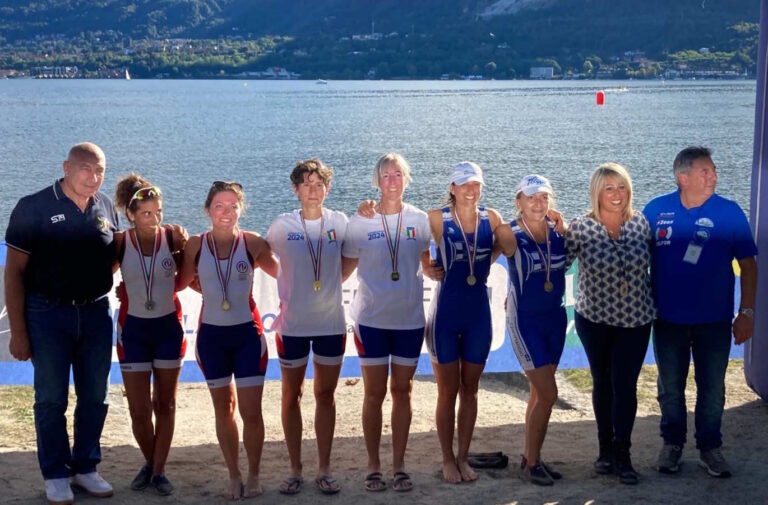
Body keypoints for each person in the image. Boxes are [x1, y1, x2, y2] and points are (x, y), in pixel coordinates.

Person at [5, 142, 119, 505]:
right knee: (51, 398)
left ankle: (85, 467)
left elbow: (113, 256)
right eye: (86, 169)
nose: (93, 177)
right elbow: (13, 274)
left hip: (96, 314)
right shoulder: (32, 207)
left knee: (95, 396)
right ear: (66, 167)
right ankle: (55, 473)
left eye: (100, 170)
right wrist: (20, 332)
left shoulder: (104, 205)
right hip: (47, 315)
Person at [643, 147, 757, 478]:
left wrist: (746, 312)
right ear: (683, 177)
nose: (714, 176)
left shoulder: (730, 212)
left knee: (712, 388)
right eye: (705, 171)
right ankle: (672, 445)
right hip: (667, 320)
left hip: (714, 321)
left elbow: (749, 266)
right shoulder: (656, 210)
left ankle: (710, 448)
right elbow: (634, 256)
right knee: (670, 387)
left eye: (714, 171)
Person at [177, 181, 277, 499]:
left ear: (241, 209)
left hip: (248, 335)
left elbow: (286, 274)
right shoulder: (195, 244)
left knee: (251, 412)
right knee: (224, 409)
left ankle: (255, 475)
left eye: (233, 206)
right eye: (219, 205)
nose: (226, 212)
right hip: (211, 338)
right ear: (207, 210)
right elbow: (179, 282)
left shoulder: (254, 244)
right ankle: (234, 475)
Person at [343, 153, 434, 492]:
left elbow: (427, 263)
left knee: (403, 392)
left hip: (409, 320)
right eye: (385, 175)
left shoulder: (420, 220)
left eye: (398, 174)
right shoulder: (361, 220)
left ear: (407, 179)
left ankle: (399, 466)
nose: (392, 181)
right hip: (371, 321)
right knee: (374, 393)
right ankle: (373, 466)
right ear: (376, 181)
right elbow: (342, 269)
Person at [265, 159, 354, 495]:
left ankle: (325, 468)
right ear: (295, 189)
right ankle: (294, 469)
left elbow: (354, 254)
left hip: (331, 323)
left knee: (326, 396)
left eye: (319, 184)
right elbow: (261, 252)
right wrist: (288, 280)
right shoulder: (282, 225)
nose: (313, 190)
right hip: (293, 326)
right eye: (307, 184)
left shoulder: (340, 222)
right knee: (292, 396)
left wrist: (335, 278)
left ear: (327, 189)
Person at [565, 163, 656, 485]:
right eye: (609, 188)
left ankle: (623, 453)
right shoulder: (580, 227)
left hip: (636, 319)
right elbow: (556, 262)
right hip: (595, 320)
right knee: (602, 383)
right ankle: (605, 451)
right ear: (596, 192)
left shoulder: (641, 224)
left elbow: (661, 264)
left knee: (625, 385)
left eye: (622, 187)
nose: (617, 194)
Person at [425, 161, 503, 484]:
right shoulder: (435, 218)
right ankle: (446, 458)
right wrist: (426, 266)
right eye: (464, 184)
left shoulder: (493, 218)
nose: (471, 190)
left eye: (476, 184)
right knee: (448, 390)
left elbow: (504, 244)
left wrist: (554, 217)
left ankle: (463, 457)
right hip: (445, 314)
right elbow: (407, 236)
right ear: (452, 188)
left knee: (470, 390)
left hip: (477, 316)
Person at [113, 174, 187, 496]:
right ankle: (151, 461)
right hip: (133, 331)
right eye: (146, 213)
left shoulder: (174, 237)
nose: (155, 218)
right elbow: (96, 277)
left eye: (158, 211)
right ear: (131, 214)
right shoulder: (118, 242)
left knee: (166, 405)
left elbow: (186, 278)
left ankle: (157, 471)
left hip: (169, 328)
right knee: (139, 411)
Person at [495, 174, 567, 486]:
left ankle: (531, 457)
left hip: (555, 318)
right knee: (549, 393)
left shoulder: (559, 230)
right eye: (531, 198)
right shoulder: (509, 234)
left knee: (540, 393)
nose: (538, 203)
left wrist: (559, 219)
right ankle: (532, 463)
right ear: (519, 202)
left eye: (544, 198)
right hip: (525, 321)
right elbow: (488, 238)